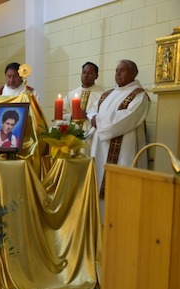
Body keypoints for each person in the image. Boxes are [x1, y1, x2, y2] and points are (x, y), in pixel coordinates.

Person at [86, 59, 149, 199]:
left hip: (124, 150)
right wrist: (93, 118)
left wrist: (98, 120)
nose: (118, 74)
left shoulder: (139, 95)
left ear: (133, 74)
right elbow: (91, 110)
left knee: (119, 193)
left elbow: (128, 117)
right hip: (99, 147)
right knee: (97, 184)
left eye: (122, 70)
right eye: (116, 71)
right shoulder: (107, 94)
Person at [63, 62, 103, 129]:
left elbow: (103, 118)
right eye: (84, 72)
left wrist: (87, 116)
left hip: (91, 134)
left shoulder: (102, 96)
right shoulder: (71, 94)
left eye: (90, 73)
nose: (86, 75)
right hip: (72, 133)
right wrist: (72, 116)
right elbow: (61, 115)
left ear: (96, 76)